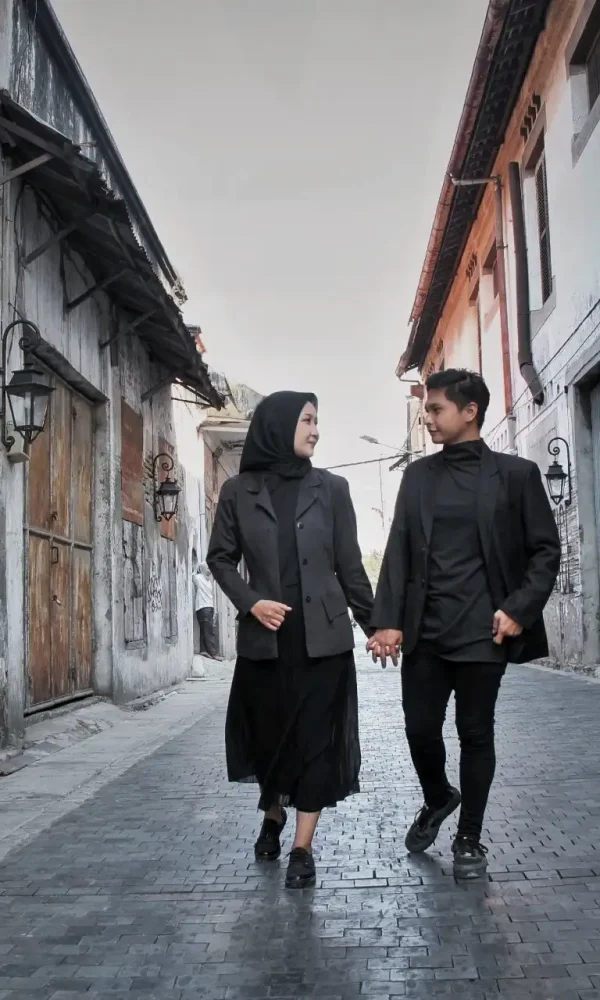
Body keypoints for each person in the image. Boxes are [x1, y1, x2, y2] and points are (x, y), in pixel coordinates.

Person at [369, 369, 560, 880]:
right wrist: (386, 621)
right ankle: (438, 797)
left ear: (469, 411)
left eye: (436, 410)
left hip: (484, 631)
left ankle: (469, 837)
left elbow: (546, 551)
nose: (428, 419)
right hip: (426, 632)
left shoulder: (516, 476)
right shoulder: (418, 477)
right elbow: (399, 549)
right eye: (426, 411)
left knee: (475, 733)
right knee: (419, 729)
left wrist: (519, 608)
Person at [207, 391, 373, 889]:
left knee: (316, 742)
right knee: (270, 738)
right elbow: (220, 558)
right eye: (307, 420)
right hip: (266, 640)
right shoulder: (237, 491)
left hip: (324, 640)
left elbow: (350, 564)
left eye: (317, 421)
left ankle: (303, 847)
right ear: (279, 426)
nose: (316, 430)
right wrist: (251, 602)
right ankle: (273, 812)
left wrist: (377, 626)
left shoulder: (333, 488)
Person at [193, 559, 220, 659]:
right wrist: (197, 568)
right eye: (208, 568)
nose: (210, 570)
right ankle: (213, 653)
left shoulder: (208, 580)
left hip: (208, 607)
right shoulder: (198, 578)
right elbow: (192, 575)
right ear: (203, 569)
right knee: (209, 631)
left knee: (205, 629)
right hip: (203, 607)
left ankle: (203, 650)